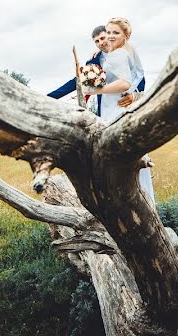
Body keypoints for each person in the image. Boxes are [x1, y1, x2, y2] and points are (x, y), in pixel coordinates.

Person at [85, 17, 155, 203]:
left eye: (115, 33)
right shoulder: (120, 52)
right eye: (108, 32)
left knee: (116, 159)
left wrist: (96, 90)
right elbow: (134, 73)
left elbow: (127, 81)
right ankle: (140, 200)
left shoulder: (118, 54)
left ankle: (125, 202)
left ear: (126, 36)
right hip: (115, 107)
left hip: (117, 108)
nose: (109, 36)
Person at [47, 25, 142, 114]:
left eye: (102, 38)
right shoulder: (93, 62)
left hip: (129, 104)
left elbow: (139, 76)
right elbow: (77, 81)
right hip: (106, 109)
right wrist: (48, 98)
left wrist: (134, 95)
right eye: (96, 41)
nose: (100, 43)